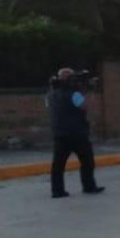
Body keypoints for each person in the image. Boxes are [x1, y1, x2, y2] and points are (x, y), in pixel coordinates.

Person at [47, 68, 104, 198]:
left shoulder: (51, 94)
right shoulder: (74, 94)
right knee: (87, 161)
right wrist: (88, 91)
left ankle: (57, 191)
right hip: (77, 133)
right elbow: (85, 106)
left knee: (58, 165)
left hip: (60, 134)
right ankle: (89, 186)